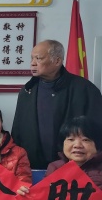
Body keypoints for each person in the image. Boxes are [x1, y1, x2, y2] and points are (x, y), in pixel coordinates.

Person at [11, 39, 102, 169]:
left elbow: (97, 132)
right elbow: (17, 132)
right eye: (32, 58)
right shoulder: (27, 91)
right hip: (32, 168)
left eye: (38, 58)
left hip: (76, 168)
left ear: (57, 61)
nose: (32, 63)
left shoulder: (85, 90)